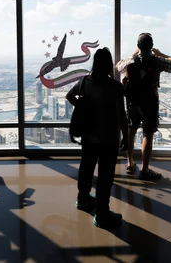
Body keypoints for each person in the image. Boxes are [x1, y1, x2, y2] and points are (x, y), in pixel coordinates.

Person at [66, 48, 128, 230]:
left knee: (86, 167)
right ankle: (101, 214)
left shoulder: (85, 82)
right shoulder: (115, 87)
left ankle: (83, 198)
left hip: (88, 136)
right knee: (105, 176)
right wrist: (125, 135)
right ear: (109, 65)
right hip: (109, 138)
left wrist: (84, 107)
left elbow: (69, 96)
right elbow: (121, 115)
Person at [117, 33, 171, 181]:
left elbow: (118, 66)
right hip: (150, 102)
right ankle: (145, 170)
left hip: (133, 101)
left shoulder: (131, 60)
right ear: (151, 46)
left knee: (131, 131)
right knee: (148, 135)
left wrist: (134, 53)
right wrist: (160, 53)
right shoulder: (156, 60)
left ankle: (130, 162)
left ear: (138, 46)